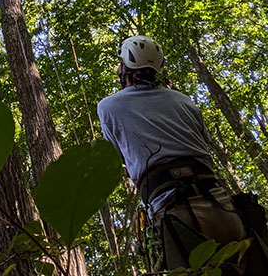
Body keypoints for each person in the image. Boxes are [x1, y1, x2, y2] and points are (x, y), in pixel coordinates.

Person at [97, 35, 249, 273]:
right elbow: (203, 142)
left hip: (174, 214)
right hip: (222, 206)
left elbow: (115, 158)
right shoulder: (184, 100)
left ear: (124, 66)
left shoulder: (108, 107)